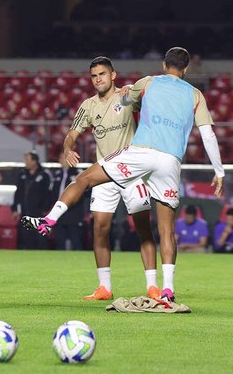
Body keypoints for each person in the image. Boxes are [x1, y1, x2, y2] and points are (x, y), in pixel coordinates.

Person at [22, 47, 225, 304]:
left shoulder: (148, 82)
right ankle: (167, 290)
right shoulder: (196, 95)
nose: (98, 79)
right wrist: (218, 172)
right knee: (166, 229)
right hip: (171, 161)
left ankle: (49, 220)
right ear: (186, 69)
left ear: (163, 65)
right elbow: (208, 135)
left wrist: (129, 98)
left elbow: (128, 101)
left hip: (138, 156)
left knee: (83, 179)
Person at [63, 56, 158, 300]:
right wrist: (68, 147)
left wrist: (135, 92)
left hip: (131, 173)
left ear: (113, 75)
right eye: (94, 76)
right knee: (100, 229)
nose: (98, 79)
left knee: (143, 228)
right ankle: (104, 287)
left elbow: (149, 96)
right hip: (104, 175)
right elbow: (72, 133)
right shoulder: (88, 105)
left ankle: (152, 286)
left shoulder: (126, 96)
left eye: (102, 74)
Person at [11, 151, 53, 250]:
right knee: (26, 239)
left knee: (40, 240)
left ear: (34, 161)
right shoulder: (22, 174)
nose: (25, 162)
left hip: (39, 214)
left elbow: (48, 194)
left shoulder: (44, 175)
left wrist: (45, 210)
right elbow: (18, 193)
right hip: (25, 212)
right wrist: (15, 209)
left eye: (27, 160)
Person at [51, 161, 86, 251]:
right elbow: (52, 193)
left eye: (63, 157)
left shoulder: (79, 173)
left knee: (76, 240)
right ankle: (60, 262)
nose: (60, 160)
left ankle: (79, 262)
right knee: (60, 240)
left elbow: (85, 192)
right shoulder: (57, 175)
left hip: (74, 212)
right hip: (59, 213)